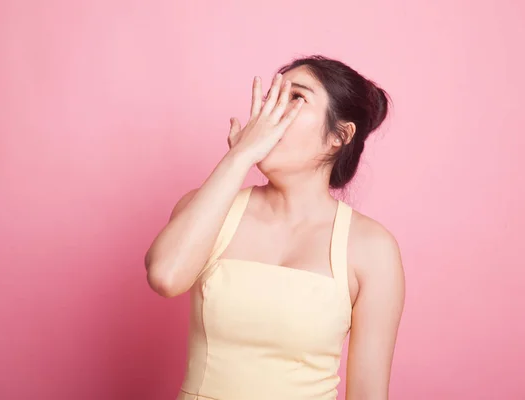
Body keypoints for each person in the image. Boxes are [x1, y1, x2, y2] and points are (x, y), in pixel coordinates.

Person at [145, 55, 405, 400]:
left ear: (339, 136)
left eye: (295, 97)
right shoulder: (207, 210)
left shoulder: (372, 248)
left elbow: (368, 394)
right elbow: (166, 276)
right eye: (271, 98)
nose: (270, 113)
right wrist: (238, 158)